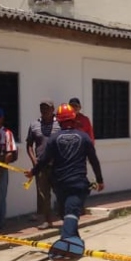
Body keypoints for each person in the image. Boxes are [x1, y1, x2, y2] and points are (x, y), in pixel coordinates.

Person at [26, 104, 103, 241]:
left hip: (60, 185)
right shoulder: (84, 137)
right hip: (78, 185)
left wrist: (33, 172)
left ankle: (72, 242)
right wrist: (100, 180)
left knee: (67, 214)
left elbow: (43, 160)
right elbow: (94, 160)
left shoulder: (54, 139)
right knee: (70, 215)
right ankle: (69, 242)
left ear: (59, 121)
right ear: (74, 119)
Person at [26, 101, 60, 229]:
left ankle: (65, 216)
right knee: (44, 194)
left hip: (57, 165)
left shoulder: (60, 124)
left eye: (46, 108)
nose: (44, 111)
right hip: (40, 166)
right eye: (41, 108)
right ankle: (48, 220)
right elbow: (29, 145)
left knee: (60, 191)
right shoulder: (34, 125)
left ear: (52, 109)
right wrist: (34, 160)